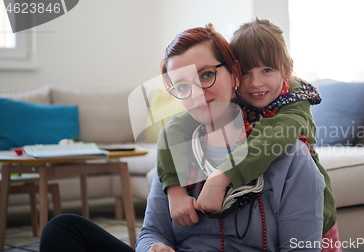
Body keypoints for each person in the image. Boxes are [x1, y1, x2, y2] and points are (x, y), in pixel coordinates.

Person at [39, 24, 326, 252]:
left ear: (234, 72)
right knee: (63, 229)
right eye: (183, 86)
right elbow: (153, 231)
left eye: (207, 75)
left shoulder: (289, 156)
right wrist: (154, 247)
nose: (198, 94)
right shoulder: (178, 146)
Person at [158, 18, 339, 250]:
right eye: (245, 72)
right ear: (234, 72)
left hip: (315, 218)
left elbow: (270, 137)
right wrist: (174, 191)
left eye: (267, 70)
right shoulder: (233, 99)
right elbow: (172, 129)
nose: (255, 83)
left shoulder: (296, 102)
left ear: (287, 68)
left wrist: (221, 177)